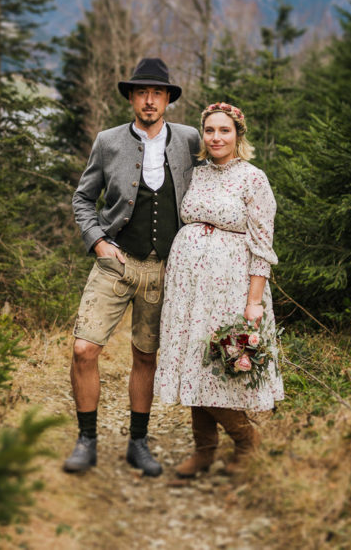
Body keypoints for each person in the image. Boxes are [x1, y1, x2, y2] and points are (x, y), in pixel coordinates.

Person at [64, 57, 202, 476]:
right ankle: (86, 440)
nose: (149, 100)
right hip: (115, 263)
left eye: (157, 93)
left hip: (164, 270)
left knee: (145, 356)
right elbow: (82, 198)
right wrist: (98, 242)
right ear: (131, 98)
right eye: (142, 92)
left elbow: (213, 183)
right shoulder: (108, 142)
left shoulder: (189, 139)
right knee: (84, 349)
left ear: (168, 99)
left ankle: (137, 443)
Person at [154, 101, 284, 478]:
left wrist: (254, 301)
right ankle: (204, 451)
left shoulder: (253, 178)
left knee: (218, 364)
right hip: (189, 290)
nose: (216, 137)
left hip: (231, 287)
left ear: (238, 134)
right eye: (209, 130)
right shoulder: (197, 175)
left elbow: (262, 245)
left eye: (224, 130)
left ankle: (246, 441)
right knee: (194, 363)